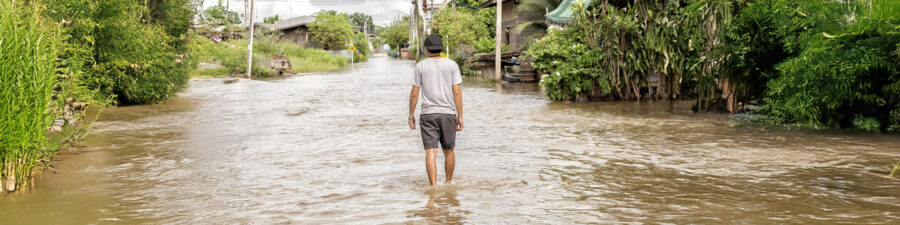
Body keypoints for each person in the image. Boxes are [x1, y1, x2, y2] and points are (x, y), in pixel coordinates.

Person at [408, 35, 464, 186]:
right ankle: (448, 183)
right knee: (449, 150)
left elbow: (414, 93)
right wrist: (460, 116)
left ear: (426, 49)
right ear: (441, 48)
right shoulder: (452, 65)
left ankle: (433, 188)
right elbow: (457, 92)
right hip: (448, 113)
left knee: (430, 152)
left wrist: (411, 116)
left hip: (428, 114)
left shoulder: (420, 66)